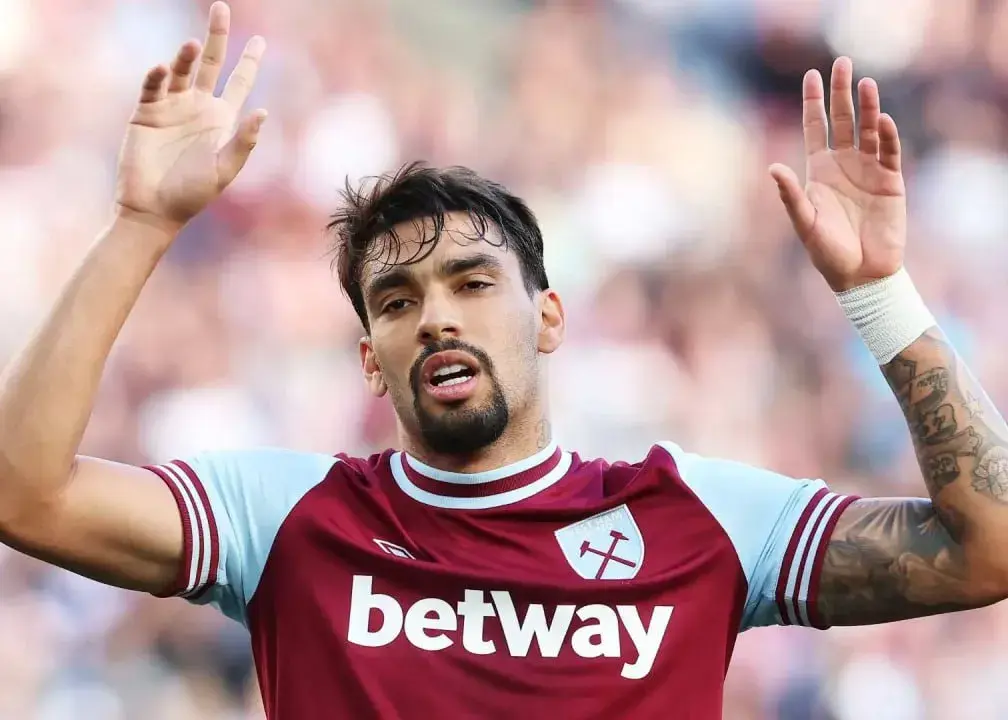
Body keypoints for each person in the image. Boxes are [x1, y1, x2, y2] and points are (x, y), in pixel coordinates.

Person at [1, 3, 1007, 718]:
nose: (436, 318)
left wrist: (878, 290)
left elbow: (988, 551)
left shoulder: (699, 518)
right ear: (369, 360)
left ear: (550, 319)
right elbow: (25, 494)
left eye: (473, 284)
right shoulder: (287, 520)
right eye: (398, 301)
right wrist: (140, 225)